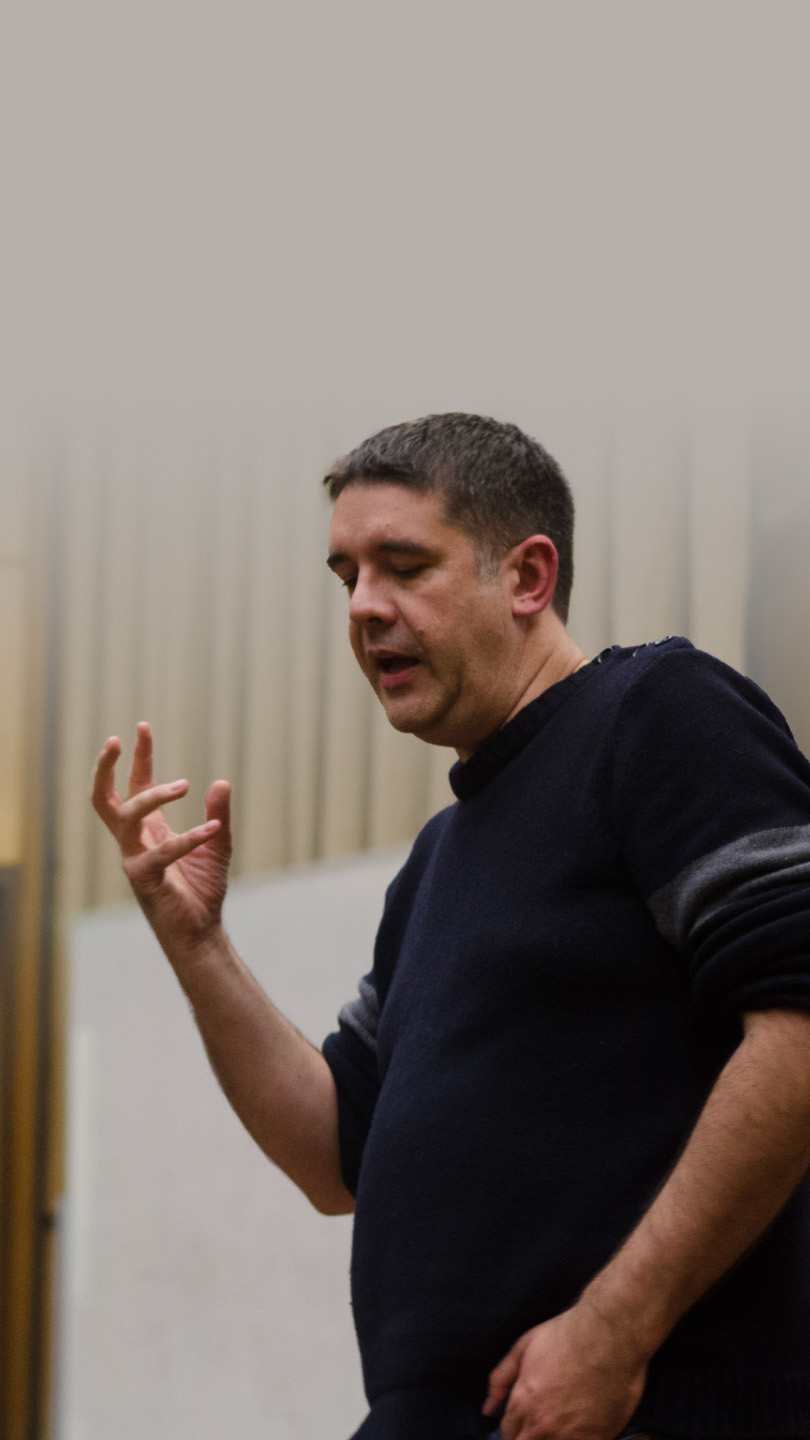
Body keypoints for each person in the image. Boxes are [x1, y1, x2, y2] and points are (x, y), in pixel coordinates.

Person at [93, 413, 810, 1440]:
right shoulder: (438, 860)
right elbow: (336, 1157)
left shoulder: (659, 712)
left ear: (526, 576)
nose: (365, 608)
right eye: (346, 577)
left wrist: (616, 1330)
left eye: (404, 565)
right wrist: (196, 944)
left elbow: (799, 1026)